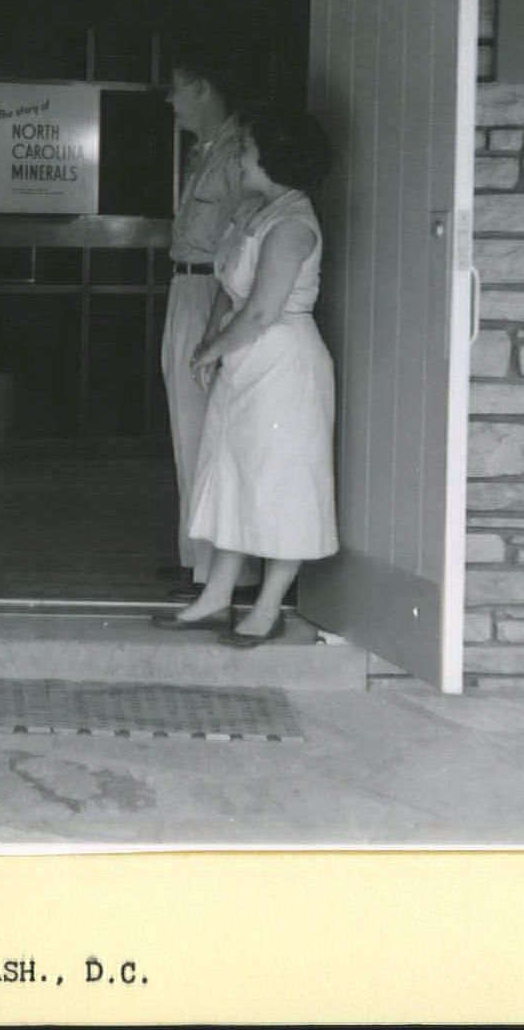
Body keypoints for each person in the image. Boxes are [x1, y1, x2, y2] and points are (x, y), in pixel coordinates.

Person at [155, 108, 339, 644]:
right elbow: (229, 293)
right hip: (246, 360)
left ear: (274, 160)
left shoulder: (292, 224)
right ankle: (216, 595)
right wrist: (213, 348)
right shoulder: (257, 212)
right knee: (232, 473)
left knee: (280, 481)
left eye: (249, 150)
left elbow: (261, 311)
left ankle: (268, 605)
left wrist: (212, 352)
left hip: (281, 363)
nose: (241, 157)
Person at [159, 51, 261, 601]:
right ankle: (196, 558)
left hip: (213, 291)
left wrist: (221, 320)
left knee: (212, 428)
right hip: (188, 286)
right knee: (188, 426)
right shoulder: (206, 152)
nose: (171, 102)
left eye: (177, 89)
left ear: (202, 86)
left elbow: (243, 239)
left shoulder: (238, 153)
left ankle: (229, 572)